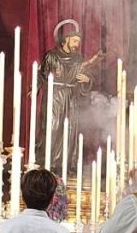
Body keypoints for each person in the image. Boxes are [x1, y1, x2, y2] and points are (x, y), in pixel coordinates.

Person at [33, 20, 102, 170]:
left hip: (70, 98)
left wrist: (87, 79)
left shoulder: (77, 59)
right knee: (52, 128)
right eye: (75, 40)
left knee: (69, 130)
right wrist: (35, 88)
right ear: (66, 39)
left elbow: (86, 75)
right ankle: (47, 164)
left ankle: (63, 165)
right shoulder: (51, 56)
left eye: (79, 41)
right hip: (54, 96)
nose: (77, 44)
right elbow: (41, 74)